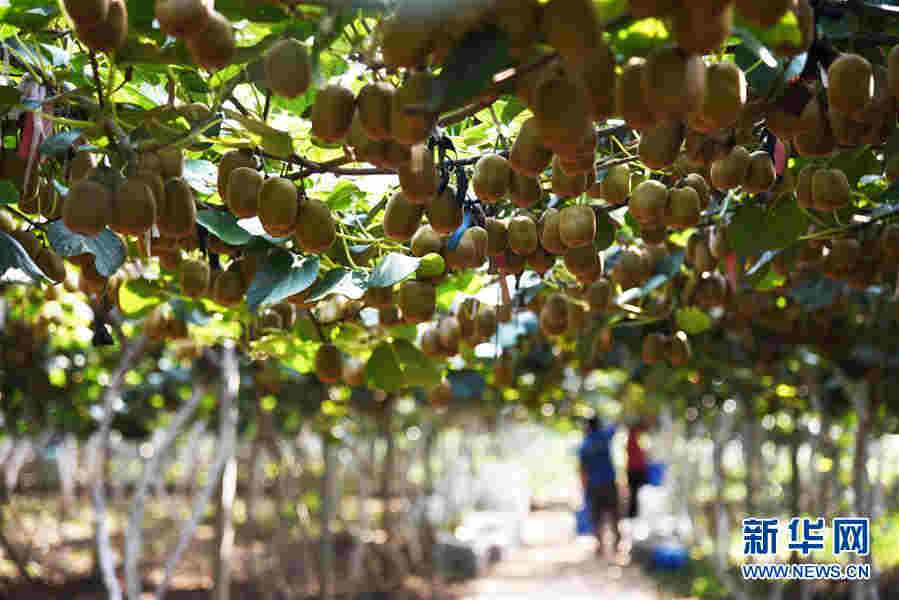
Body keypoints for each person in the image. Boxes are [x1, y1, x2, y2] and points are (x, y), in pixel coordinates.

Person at [578, 416, 620, 555]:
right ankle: (616, 544)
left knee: (596, 516)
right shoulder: (604, 437)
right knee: (613, 513)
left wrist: (583, 487)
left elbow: (582, 469)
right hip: (609, 482)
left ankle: (600, 545)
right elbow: (615, 425)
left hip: (593, 484)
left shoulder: (585, 444)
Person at [626, 417, 650, 519]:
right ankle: (633, 513)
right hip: (635, 469)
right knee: (635, 493)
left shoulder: (635, 438)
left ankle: (635, 513)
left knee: (636, 492)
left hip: (636, 469)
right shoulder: (632, 438)